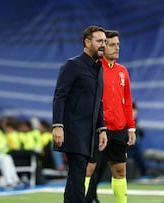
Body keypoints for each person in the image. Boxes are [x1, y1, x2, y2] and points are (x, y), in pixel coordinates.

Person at [52, 25, 108, 203]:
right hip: (74, 129)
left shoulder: (99, 69)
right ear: (87, 42)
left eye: (105, 42)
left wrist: (102, 128)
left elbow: (98, 102)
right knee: (78, 175)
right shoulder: (72, 65)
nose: (103, 45)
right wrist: (58, 126)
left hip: (90, 132)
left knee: (76, 175)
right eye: (99, 41)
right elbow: (60, 96)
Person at [85, 30, 136, 203]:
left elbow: (127, 101)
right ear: (103, 46)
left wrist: (131, 127)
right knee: (88, 169)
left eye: (118, 45)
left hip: (119, 130)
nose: (117, 48)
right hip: (98, 128)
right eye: (112, 45)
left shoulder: (123, 71)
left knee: (120, 171)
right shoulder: (94, 68)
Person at [127, 102, 147, 177]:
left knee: (140, 160)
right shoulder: (126, 121)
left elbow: (140, 134)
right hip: (127, 147)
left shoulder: (136, 122)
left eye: (135, 110)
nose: (135, 113)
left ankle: (143, 176)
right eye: (133, 110)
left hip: (134, 147)